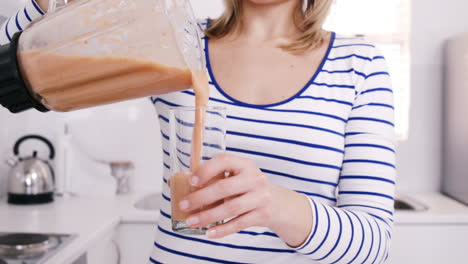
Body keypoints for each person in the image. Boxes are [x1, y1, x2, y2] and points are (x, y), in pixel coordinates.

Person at [1, 0, 396, 263]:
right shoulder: (173, 41)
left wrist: (273, 205)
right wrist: (43, 5)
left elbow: (373, 242)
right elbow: (13, 69)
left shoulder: (359, 65)